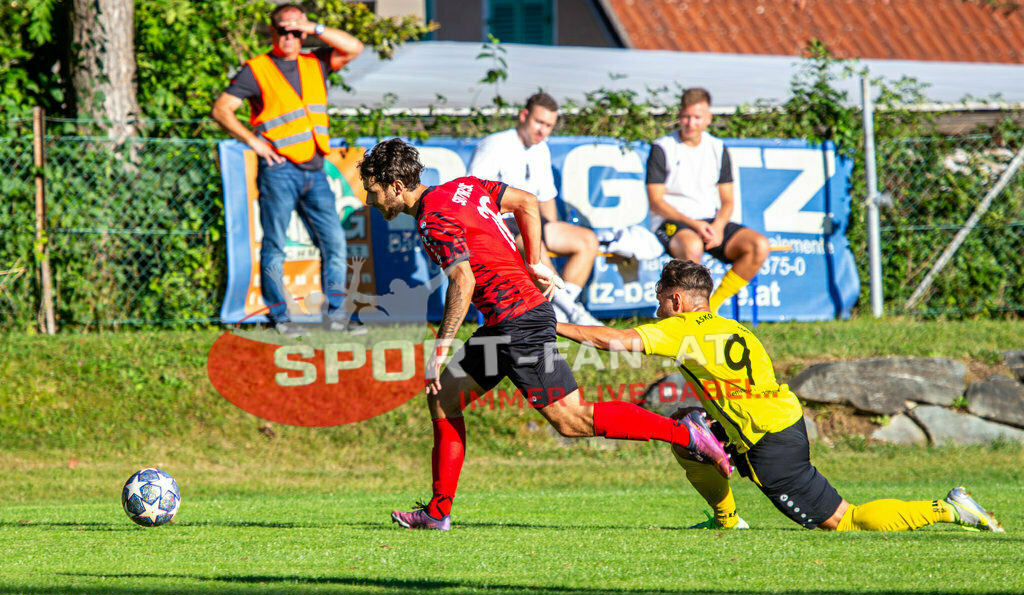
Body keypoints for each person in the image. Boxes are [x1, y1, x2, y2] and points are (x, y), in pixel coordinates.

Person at [358, 138, 731, 531]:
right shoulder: (462, 187)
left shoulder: (433, 219)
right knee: (444, 398)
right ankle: (437, 512)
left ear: (396, 186)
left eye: (373, 191)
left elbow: (463, 282)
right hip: (505, 322)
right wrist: (533, 261)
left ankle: (683, 432)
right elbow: (527, 202)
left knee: (571, 420)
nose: (370, 200)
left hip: (519, 321)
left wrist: (440, 348)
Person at [557, 258, 1005, 533]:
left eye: (660, 297)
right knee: (688, 432)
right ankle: (727, 520)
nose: (657, 306)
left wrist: (552, 325)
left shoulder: (679, 327)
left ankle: (948, 510)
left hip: (769, 441)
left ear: (676, 299)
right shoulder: (731, 327)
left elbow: (611, 340)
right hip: (773, 421)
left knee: (843, 519)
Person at [211, 3, 364, 334]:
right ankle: (281, 318)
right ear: (273, 31)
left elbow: (354, 47)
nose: (291, 36)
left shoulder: (316, 62)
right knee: (275, 246)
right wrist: (254, 142)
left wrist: (316, 28)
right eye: (284, 29)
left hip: (316, 169)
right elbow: (222, 109)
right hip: (279, 170)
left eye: (297, 30)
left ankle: (337, 316)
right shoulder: (257, 70)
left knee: (335, 242)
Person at [469, 92, 601, 326]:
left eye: (549, 125)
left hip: (531, 221)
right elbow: (475, 193)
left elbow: (547, 196)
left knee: (587, 240)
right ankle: (575, 314)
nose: (543, 130)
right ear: (524, 116)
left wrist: (550, 228)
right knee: (535, 245)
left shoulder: (542, 149)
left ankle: (560, 310)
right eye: (539, 122)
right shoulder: (495, 144)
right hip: (499, 224)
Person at [646, 88, 770, 315]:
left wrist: (719, 226)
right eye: (686, 116)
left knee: (758, 245)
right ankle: (683, 319)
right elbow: (656, 202)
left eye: (697, 117)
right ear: (679, 115)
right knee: (692, 248)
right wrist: (694, 224)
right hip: (672, 221)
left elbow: (728, 201)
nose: (690, 123)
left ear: (709, 118)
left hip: (709, 222)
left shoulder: (717, 148)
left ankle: (711, 308)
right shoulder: (662, 147)